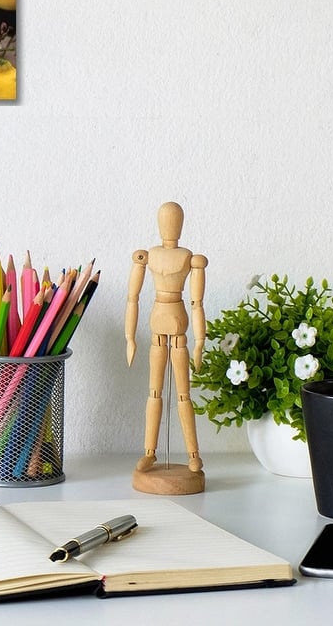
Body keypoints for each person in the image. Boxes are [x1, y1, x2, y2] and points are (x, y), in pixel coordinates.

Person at [125, 202, 207, 477]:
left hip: (179, 322)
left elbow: (197, 303)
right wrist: (130, 337)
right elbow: (132, 298)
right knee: (154, 392)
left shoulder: (189, 258)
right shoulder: (148, 255)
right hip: (158, 321)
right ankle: (149, 452)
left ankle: (193, 454)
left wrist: (199, 342)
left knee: (183, 394)